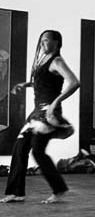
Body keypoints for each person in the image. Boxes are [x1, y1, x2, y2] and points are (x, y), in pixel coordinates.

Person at [1, 30, 80, 204]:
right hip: (36, 113)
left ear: (56, 42)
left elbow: (74, 82)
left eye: (45, 40)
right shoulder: (44, 61)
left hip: (47, 114)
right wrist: (28, 84)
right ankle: (16, 192)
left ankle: (59, 190)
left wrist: (55, 103)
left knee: (37, 151)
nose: (41, 44)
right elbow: (46, 81)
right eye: (41, 41)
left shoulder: (57, 61)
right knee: (20, 148)